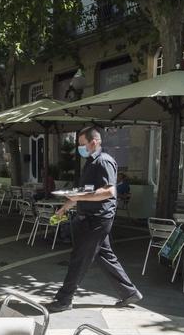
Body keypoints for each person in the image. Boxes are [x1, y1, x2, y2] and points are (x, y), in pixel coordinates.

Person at [46, 127, 142, 312]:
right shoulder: (91, 162)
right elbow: (86, 191)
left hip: (96, 219)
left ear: (94, 142)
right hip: (92, 218)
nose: (80, 148)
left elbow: (108, 191)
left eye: (83, 144)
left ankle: (64, 299)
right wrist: (65, 207)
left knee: (79, 258)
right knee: (105, 256)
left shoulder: (104, 162)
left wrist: (77, 199)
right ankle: (129, 293)